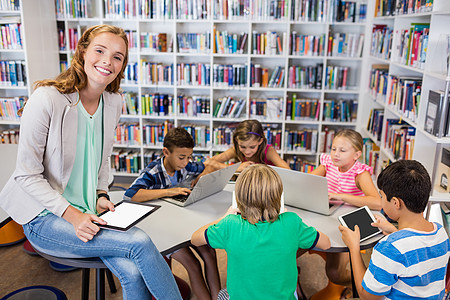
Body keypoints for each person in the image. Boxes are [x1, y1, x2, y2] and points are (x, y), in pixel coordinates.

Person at [0, 25, 181, 299]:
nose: (108, 61)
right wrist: (73, 215)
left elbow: (103, 156)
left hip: (88, 209)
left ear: (122, 66)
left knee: (133, 272)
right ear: (82, 51)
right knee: (140, 242)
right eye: (100, 50)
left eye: (118, 57)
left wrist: (101, 194)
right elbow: (27, 175)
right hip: (44, 217)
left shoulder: (114, 101)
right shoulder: (47, 99)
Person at [191, 164, 331, 299]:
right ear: (278, 196)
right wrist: (289, 219)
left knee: (222, 294)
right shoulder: (291, 221)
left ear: (239, 198)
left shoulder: (230, 224)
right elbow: (326, 244)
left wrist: (223, 218)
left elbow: (195, 239)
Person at [124, 127, 221, 300]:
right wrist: (169, 191)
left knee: (210, 253)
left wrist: (203, 176)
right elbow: (131, 195)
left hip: (181, 223)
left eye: (189, 157)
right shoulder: (153, 172)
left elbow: (207, 166)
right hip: (162, 231)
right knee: (193, 265)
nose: (186, 162)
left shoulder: (184, 165)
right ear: (166, 152)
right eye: (182, 157)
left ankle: (217, 297)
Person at [339, 160, 450, 299]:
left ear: (396, 203)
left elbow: (366, 295)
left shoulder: (389, 247)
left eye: (382, 196)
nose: (381, 200)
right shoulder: (441, 232)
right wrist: (394, 230)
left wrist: (354, 247)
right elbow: (415, 251)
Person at [308, 129, 381, 299]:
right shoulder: (327, 163)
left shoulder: (360, 173)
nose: (335, 154)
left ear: (356, 155)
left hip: (346, 224)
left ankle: (360, 286)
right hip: (326, 216)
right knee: (295, 246)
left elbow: (377, 202)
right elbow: (309, 182)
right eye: (333, 149)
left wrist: (341, 196)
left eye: (342, 150)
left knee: (334, 273)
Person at [210, 119, 290, 172]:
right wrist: (235, 169)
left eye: (252, 147)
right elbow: (209, 162)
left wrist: (257, 169)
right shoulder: (235, 150)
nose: (247, 152)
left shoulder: (268, 151)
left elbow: (287, 170)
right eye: (243, 146)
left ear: (260, 141)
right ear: (237, 141)